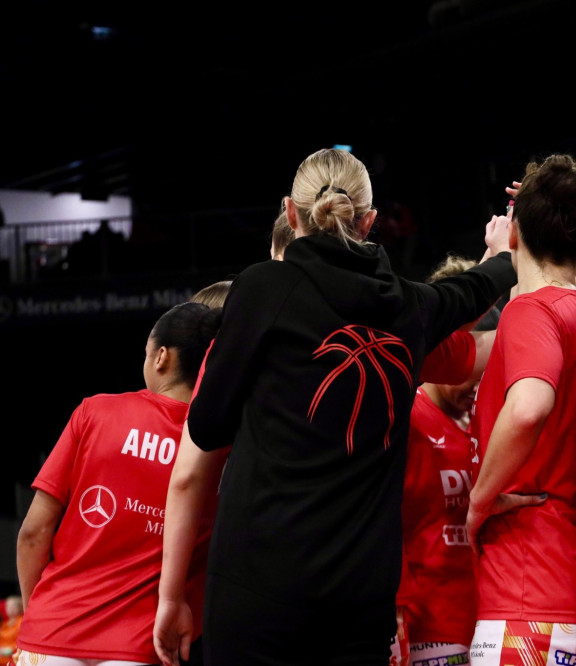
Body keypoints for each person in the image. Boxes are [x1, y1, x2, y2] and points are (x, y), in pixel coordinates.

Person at [176, 148, 517, 665]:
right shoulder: (410, 306)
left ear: (290, 213)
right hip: (360, 601)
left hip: (258, 582)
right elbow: (470, 291)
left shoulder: (264, 287)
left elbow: (207, 426)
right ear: (369, 221)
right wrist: (505, 252)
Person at [466, 154, 576, 665]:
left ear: (515, 235)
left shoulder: (531, 311)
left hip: (533, 596)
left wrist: (480, 499)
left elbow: (528, 408)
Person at [14, 302, 221, 666]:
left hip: (53, 633)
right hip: (145, 645)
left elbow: (33, 533)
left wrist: (41, 618)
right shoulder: (221, 446)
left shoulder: (94, 413)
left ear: (161, 357)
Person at [393, 255, 497, 666]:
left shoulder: (490, 420)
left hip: (490, 618)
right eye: (474, 366)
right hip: (430, 627)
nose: (479, 381)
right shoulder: (405, 419)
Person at [0, 596, 22, 661]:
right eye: (8, 606)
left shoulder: (21, 621)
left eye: (13, 606)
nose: (10, 609)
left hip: (13, 655)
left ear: (19, 608)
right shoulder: (4, 624)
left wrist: (7, 651)